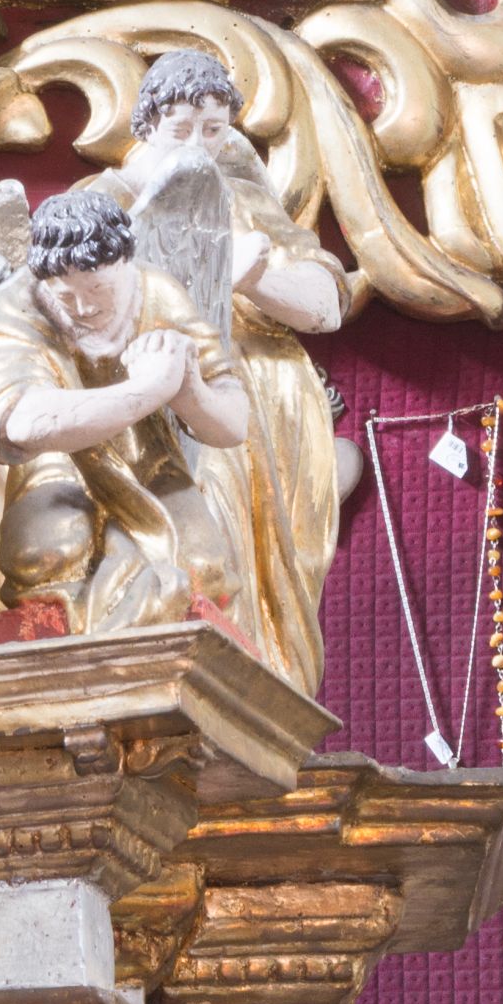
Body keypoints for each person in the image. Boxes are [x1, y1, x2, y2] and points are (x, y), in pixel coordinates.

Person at [119, 46, 348, 692]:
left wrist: (251, 278)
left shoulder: (245, 199)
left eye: (214, 130)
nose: (199, 145)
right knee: (199, 519)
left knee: (250, 537)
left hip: (254, 401)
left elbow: (326, 304)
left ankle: (249, 676)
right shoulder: (108, 199)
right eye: (181, 130)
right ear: (148, 127)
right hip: (157, 396)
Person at [0, 183, 257, 651]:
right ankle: (68, 655)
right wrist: (148, 389)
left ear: (126, 263)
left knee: (202, 568)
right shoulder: (14, 306)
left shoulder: (159, 294)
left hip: (148, 461)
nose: (84, 308)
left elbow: (233, 425)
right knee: (45, 553)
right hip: (57, 463)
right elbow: (21, 424)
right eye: (66, 298)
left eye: (99, 290)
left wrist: (189, 388)